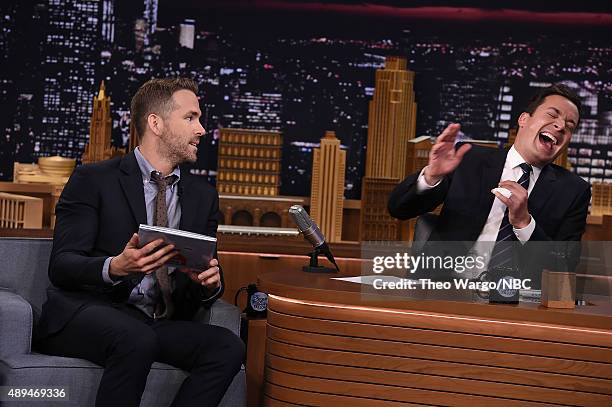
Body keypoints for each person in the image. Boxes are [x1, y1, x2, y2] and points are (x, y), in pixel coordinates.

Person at [37, 77, 245, 407]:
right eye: (191, 118)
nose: (202, 129)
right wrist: (115, 267)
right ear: (156, 123)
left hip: (153, 322)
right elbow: (61, 265)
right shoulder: (93, 180)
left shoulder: (202, 197)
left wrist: (208, 284)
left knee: (228, 346)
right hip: (88, 313)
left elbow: (201, 278)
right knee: (135, 338)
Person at [388, 84, 590, 274]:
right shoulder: (469, 160)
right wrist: (431, 176)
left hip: (517, 304)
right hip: (443, 290)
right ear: (524, 119)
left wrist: (523, 222)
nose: (561, 125)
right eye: (552, 115)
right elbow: (399, 209)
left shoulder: (573, 191)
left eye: (570, 125)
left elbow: (564, 267)